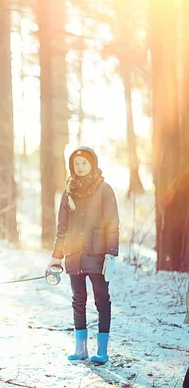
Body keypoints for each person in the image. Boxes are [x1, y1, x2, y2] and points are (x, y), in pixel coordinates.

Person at [47, 146, 119, 364]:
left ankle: (102, 351)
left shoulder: (104, 189)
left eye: (84, 163)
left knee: (101, 300)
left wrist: (111, 254)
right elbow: (62, 228)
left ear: (92, 164)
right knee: (78, 300)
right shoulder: (68, 192)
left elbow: (113, 224)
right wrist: (56, 256)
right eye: (76, 164)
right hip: (74, 255)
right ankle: (81, 349)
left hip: (97, 255)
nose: (79, 167)